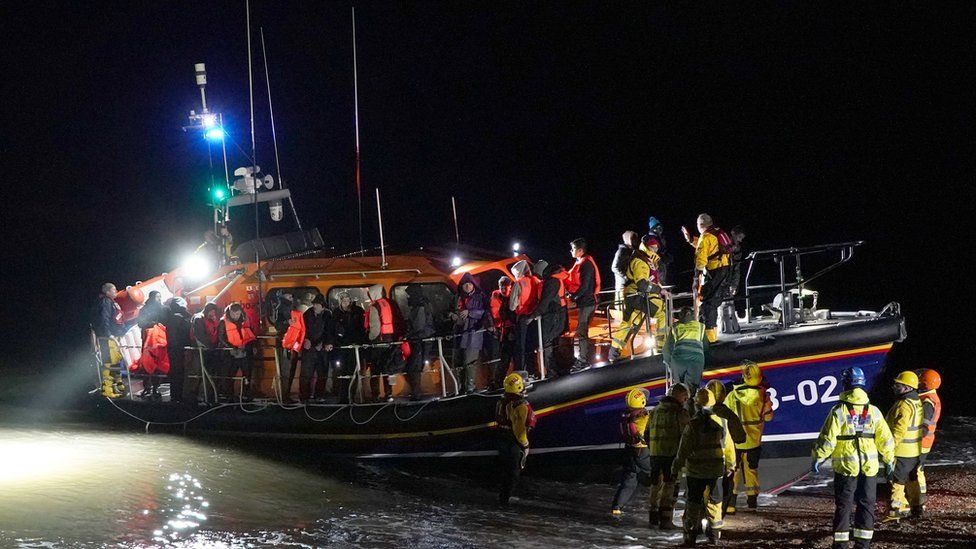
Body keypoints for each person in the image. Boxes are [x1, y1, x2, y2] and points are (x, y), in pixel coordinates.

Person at [811, 367, 894, 549]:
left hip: (846, 467)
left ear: (845, 384)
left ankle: (840, 544)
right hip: (869, 466)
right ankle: (863, 543)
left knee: (844, 505)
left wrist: (818, 457)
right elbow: (886, 439)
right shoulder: (874, 411)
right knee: (867, 504)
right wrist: (889, 460)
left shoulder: (838, 411)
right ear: (862, 384)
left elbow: (827, 438)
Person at [672, 388, 736, 546]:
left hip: (695, 472)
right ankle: (715, 536)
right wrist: (731, 465)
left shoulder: (692, 425)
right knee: (715, 503)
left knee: (693, 504)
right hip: (716, 471)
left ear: (696, 404)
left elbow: (683, 449)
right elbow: (729, 446)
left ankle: (690, 538)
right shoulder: (722, 422)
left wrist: (676, 468)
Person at [724, 360, 774, 513]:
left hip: (736, 441)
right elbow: (768, 417)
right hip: (753, 441)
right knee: (751, 470)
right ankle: (752, 504)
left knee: (734, 471)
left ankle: (731, 506)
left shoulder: (733, 394)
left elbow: (725, 414)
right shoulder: (762, 395)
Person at [608, 234, 663, 362]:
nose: (655, 250)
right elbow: (643, 284)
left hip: (633, 295)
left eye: (656, 248)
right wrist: (659, 290)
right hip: (635, 295)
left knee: (628, 323)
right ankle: (661, 346)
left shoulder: (646, 259)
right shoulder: (640, 261)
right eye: (653, 247)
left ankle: (614, 352)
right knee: (661, 312)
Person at [681, 213, 733, 343]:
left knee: (707, 304)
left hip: (715, 272)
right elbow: (711, 248)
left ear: (700, 225)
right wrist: (690, 240)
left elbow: (701, 258)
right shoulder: (717, 232)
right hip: (725, 270)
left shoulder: (706, 237)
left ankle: (709, 339)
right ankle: (713, 335)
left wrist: (695, 277)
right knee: (713, 303)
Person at [646, 383, 691, 529]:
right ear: (680, 396)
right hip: (671, 455)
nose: (685, 400)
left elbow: (646, 434)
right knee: (669, 487)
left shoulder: (654, 411)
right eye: (685, 397)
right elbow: (687, 436)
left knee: (655, 485)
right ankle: (665, 520)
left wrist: (653, 447)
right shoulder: (679, 412)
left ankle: (653, 517)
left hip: (654, 454)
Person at [884, 370, 924, 521]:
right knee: (912, 481)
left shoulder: (903, 405)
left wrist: (889, 447)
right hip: (914, 451)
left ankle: (895, 511)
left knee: (896, 482)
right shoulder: (916, 402)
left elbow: (899, 429)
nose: (895, 387)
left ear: (908, 388)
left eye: (899, 385)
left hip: (901, 452)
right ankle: (917, 508)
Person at [705, 379, 747, 521]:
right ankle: (717, 520)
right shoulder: (728, 415)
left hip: (699, 462)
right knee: (725, 489)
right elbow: (740, 438)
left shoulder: (697, 414)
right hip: (721, 463)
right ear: (723, 395)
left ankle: (696, 524)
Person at [496, 372, 536, 506]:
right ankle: (505, 501)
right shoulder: (521, 406)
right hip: (514, 444)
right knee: (513, 473)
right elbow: (519, 431)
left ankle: (502, 497)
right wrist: (525, 446)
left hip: (502, 440)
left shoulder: (501, 402)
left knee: (504, 471)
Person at [611, 388, 651, 517]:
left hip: (629, 452)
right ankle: (660, 508)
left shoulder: (626, 417)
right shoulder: (644, 418)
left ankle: (617, 507)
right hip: (643, 452)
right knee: (660, 474)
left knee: (629, 481)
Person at [908, 368, 941, 517]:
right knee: (916, 470)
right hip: (925, 441)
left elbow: (924, 426)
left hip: (921, 442)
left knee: (916, 471)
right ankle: (917, 502)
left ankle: (918, 504)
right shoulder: (931, 397)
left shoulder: (927, 401)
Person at [566, 238, 601, 369]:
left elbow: (585, 286)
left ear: (580, 250)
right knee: (582, 331)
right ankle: (584, 358)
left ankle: (583, 360)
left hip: (587, 302)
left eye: (573, 249)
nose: (571, 251)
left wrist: (574, 297)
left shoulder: (586, 264)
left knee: (581, 331)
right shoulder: (582, 262)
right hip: (585, 302)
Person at [529, 260, 569, 377]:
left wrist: (533, 315)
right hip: (556, 316)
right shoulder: (554, 280)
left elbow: (545, 302)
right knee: (552, 343)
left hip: (553, 317)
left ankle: (551, 372)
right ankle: (555, 369)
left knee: (546, 343)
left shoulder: (551, 282)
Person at [92, 283, 130, 397]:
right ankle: (107, 389)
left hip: (116, 336)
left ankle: (118, 385)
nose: (116, 291)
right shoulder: (106, 302)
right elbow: (105, 318)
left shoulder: (113, 302)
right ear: (107, 292)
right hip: (109, 338)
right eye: (114, 290)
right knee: (109, 361)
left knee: (117, 361)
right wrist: (109, 335)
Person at [663, 307, 708, 401]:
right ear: (692, 315)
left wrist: (669, 363)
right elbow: (706, 346)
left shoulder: (675, 326)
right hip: (696, 361)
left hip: (678, 360)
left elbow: (667, 348)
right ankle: (691, 408)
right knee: (692, 391)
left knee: (679, 389)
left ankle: (679, 407)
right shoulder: (700, 326)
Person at [453, 273, 488, 393]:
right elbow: (450, 310)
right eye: (465, 284)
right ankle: (459, 388)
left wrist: (470, 312)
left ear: (474, 285)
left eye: (469, 284)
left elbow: (484, 312)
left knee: (469, 361)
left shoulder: (480, 297)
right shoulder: (457, 297)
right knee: (457, 362)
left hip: (472, 334)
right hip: (458, 333)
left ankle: (470, 387)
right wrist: (451, 315)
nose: (467, 286)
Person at [365, 284, 400, 402]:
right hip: (390, 340)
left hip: (378, 342)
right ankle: (389, 394)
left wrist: (369, 339)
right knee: (388, 370)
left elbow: (374, 328)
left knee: (375, 370)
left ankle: (375, 395)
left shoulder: (375, 307)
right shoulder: (390, 303)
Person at [217, 302, 257, 402]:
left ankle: (246, 395)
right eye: (233, 314)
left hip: (244, 352)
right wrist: (232, 348)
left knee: (247, 375)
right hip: (231, 354)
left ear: (241, 312)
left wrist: (253, 346)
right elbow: (221, 337)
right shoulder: (223, 322)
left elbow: (250, 333)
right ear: (229, 312)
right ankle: (229, 397)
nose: (235, 316)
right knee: (230, 376)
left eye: (237, 313)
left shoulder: (245, 320)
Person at [332, 291, 366, 403]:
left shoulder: (358, 311)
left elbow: (363, 328)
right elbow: (333, 329)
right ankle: (343, 397)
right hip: (342, 348)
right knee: (342, 373)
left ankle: (353, 396)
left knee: (354, 372)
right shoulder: (336, 313)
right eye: (343, 300)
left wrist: (361, 343)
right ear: (340, 302)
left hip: (356, 347)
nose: (345, 302)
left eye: (347, 300)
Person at [509, 259, 541, 374]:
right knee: (531, 346)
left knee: (520, 346)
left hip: (523, 317)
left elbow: (512, 306)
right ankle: (534, 371)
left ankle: (520, 371)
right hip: (535, 317)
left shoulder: (518, 283)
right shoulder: (536, 280)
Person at [300, 295, 334, 403]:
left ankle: (319, 396)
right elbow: (302, 328)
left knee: (322, 374)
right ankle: (304, 397)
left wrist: (326, 343)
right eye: (314, 304)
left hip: (322, 349)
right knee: (306, 374)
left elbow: (330, 331)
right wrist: (305, 340)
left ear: (323, 306)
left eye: (317, 304)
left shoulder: (328, 315)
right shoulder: (307, 314)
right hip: (309, 348)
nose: (315, 306)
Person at [404, 284, 435, 399]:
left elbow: (419, 326)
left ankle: (417, 393)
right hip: (421, 339)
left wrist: (407, 335)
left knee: (414, 367)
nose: (408, 297)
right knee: (415, 366)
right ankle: (416, 391)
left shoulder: (420, 306)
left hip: (420, 340)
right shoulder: (421, 304)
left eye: (409, 295)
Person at [188, 302, 221, 404]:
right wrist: (210, 347)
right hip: (199, 351)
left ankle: (208, 396)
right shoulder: (199, 318)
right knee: (197, 373)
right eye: (211, 312)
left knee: (208, 374)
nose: (213, 314)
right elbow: (200, 335)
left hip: (209, 351)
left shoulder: (212, 319)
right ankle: (193, 397)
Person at [137, 291, 167, 398]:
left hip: (159, 340)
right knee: (147, 363)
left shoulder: (162, 309)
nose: (159, 299)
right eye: (157, 297)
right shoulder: (144, 310)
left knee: (158, 363)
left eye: (160, 296)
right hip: (147, 340)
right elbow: (140, 323)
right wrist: (153, 324)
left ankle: (155, 387)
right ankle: (147, 387)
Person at [487, 276, 516, 389]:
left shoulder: (513, 296)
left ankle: (521, 377)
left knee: (518, 355)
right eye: (501, 287)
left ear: (510, 287)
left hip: (514, 329)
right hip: (503, 331)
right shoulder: (496, 296)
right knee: (505, 357)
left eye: (505, 287)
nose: (503, 290)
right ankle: (498, 381)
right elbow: (493, 312)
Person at [273, 291, 301, 402]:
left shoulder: (292, 308)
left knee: (291, 369)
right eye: (288, 295)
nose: (291, 297)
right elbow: (277, 325)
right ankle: (284, 396)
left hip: (292, 342)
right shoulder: (280, 308)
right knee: (285, 370)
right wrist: (286, 322)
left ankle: (286, 394)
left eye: (291, 295)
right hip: (284, 343)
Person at [163, 297, 191, 404]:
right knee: (177, 373)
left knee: (179, 373)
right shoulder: (176, 318)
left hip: (179, 349)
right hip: (177, 350)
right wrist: (178, 347)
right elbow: (174, 336)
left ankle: (179, 395)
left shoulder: (176, 316)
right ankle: (176, 396)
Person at [611, 230, 638, 309]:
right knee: (622, 308)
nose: (635, 241)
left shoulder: (631, 251)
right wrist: (626, 277)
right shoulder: (621, 251)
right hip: (622, 285)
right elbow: (614, 267)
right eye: (633, 238)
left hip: (630, 285)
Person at [647, 216, 673, 286]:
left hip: (661, 263)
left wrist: (666, 256)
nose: (660, 229)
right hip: (656, 264)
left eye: (660, 227)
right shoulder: (651, 239)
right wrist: (663, 256)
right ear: (654, 229)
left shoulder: (660, 238)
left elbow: (663, 250)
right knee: (659, 280)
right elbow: (654, 252)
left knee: (663, 279)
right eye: (658, 227)